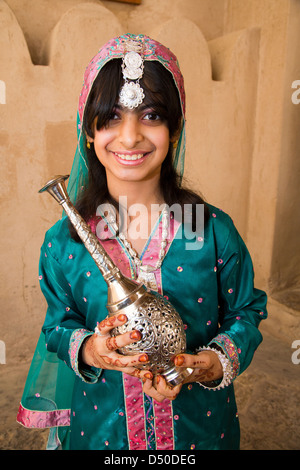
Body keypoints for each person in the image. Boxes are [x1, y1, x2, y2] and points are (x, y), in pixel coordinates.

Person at [17, 33, 267, 451]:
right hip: (99, 435)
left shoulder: (212, 232)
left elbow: (246, 311)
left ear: (175, 128)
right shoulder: (65, 242)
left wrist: (207, 365)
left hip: (200, 434)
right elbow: (58, 326)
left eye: (150, 115)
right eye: (111, 117)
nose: (130, 137)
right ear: (89, 131)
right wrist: (92, 351)